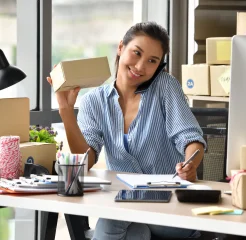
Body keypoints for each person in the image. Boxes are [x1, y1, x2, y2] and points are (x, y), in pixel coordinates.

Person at [47, 21, 206, 240]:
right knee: (135, 234)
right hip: (129, 213)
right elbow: (86, 159)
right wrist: (66, 111)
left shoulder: (165, 87)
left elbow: (190, 138)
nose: (141, 66)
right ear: (121, 47)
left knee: (112, 218)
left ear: (160, 65)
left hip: (171, 210)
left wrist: (191, 165)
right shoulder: (94, 101)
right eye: (136, 53)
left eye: (152, 61)